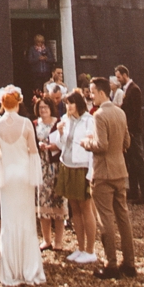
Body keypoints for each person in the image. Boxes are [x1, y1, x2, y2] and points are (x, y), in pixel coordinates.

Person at [0, 86, 45, 287]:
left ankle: (11, 269)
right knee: (27, 220)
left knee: (9, 221)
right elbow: (33, 151)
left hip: (8, 177)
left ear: (2, 104)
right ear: (18, 103)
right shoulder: (26, 123)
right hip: (24, 175)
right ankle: (29, 269)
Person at [84, 76, 137, 280]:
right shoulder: (120, 112)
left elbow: (101, 146)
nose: (91, 95)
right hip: (119, 171)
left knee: (105, 218)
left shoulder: (99, 116)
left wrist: (86, 143)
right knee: (123, 218)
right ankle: (129, 263)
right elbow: (127, 141)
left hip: (103, 173)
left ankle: (111, 263)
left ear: (102, 93)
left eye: (92, 92)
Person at [57, 90, 98, 264]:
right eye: (67, 104)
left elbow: (91, 148)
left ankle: (90, 250)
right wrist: (60, 133)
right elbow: (62, 145)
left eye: (71, 103)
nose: (68, 107)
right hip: (67, 165)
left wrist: (91, 173)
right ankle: (80, 247)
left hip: (81, 167)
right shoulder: (66, 120)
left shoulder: (89, 120)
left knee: (85, 208)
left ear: (79, 103)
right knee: (74, 208)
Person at [114, 65, 144, 205]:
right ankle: (134, 190)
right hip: (129, 131)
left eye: (119, 77)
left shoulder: (134, 90)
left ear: (125, 75)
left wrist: (130, 130)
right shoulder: (127, 90)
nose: (118, 80)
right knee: (131, 162)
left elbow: (136, 113)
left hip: (133, 132)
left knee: (139, 162)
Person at [35, 96, 65, 253]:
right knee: (43, 203)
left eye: (45, 107)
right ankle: (46, 239)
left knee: (58, 202)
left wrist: (55, 146)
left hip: (56, 166)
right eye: (40, 108)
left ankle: (59, 241)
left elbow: (65, 142)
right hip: (42, 167)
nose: (43, 110)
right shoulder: (35, 125)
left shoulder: (58, 123)